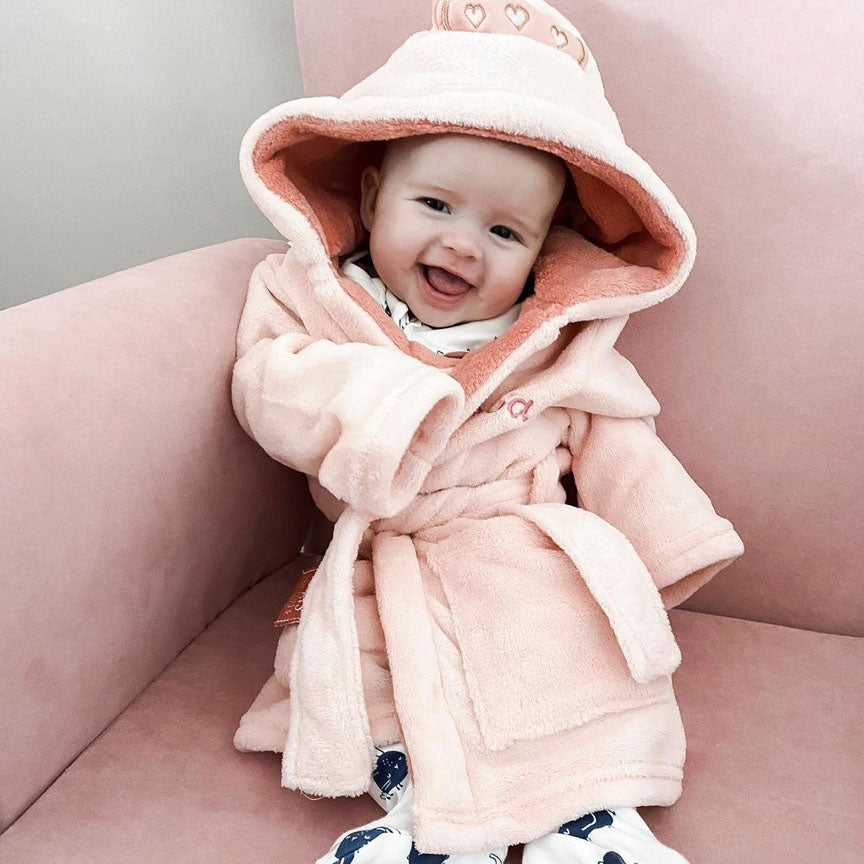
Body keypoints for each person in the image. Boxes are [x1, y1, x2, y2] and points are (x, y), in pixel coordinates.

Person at [229, 0, 745, 861]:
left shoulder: (554, 343)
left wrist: (670, 541)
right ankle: (425, 821)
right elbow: (267, 381)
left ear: (544, 250)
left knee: (566, 661)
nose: (464, 245)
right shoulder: (312, 298)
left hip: (521, 554)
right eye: (436, 204)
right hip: (385, 552)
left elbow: (616, 435)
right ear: (371, 192)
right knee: (384, 678)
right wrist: (391, 406)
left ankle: (591, 825)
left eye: (505, 231)